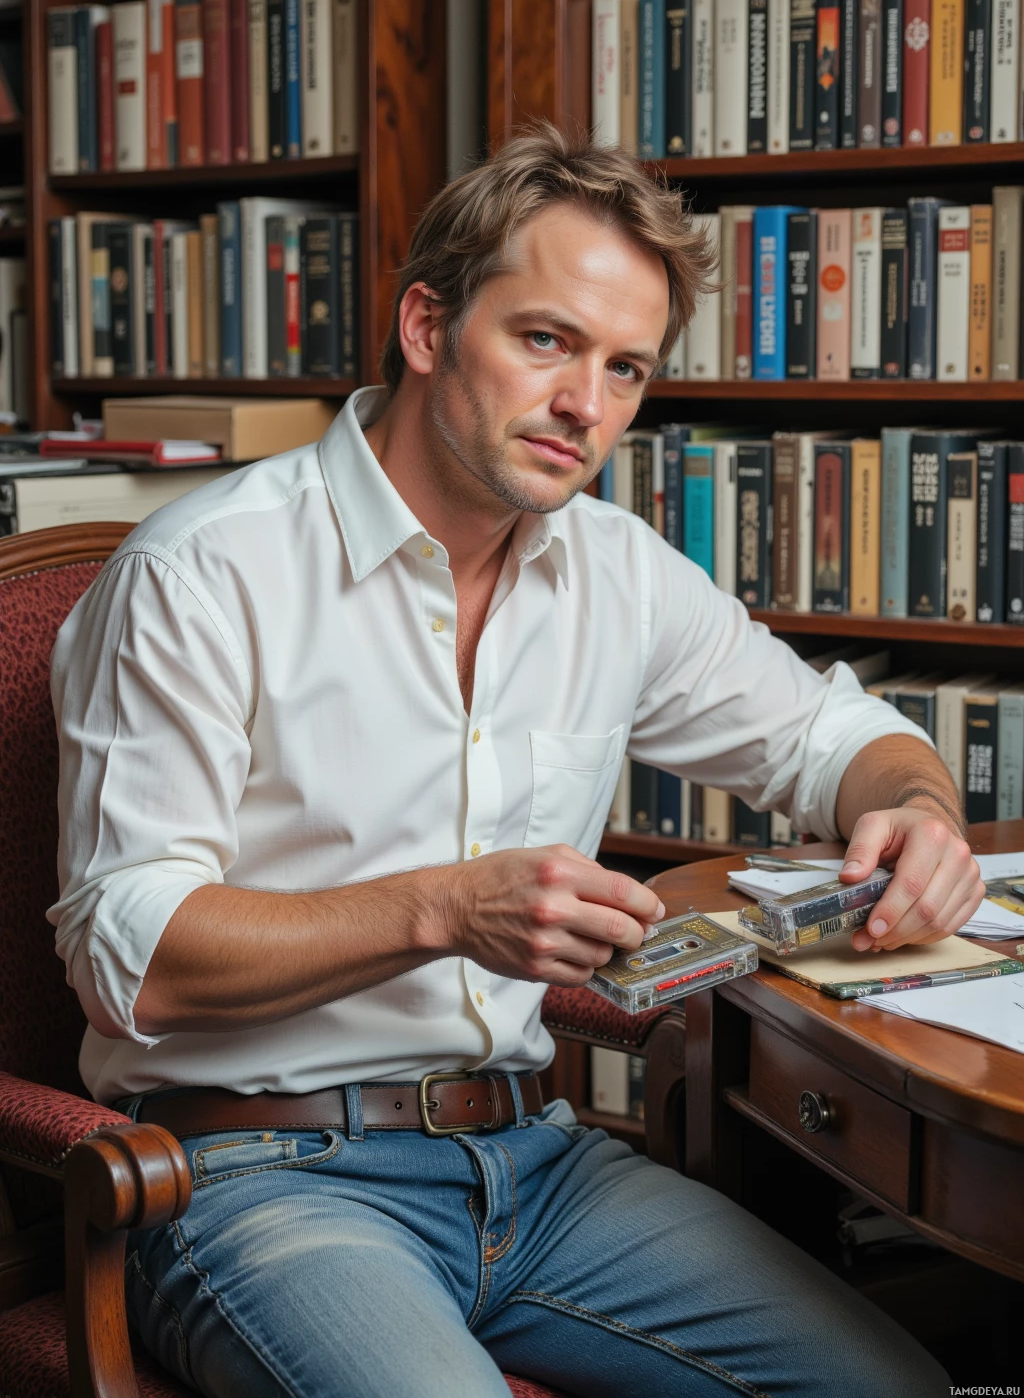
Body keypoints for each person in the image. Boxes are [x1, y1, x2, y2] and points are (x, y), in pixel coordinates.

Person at [50, 125, 973, 1398]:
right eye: (545, 340)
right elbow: (127, 956)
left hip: (537, 1163)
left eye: (625, 368)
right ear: (428, 325)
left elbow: (833, 739)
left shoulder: (617, 572)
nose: (584, 405)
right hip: (254, 1177)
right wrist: (443, 906)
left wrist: (918, 810)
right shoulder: (199, 575)